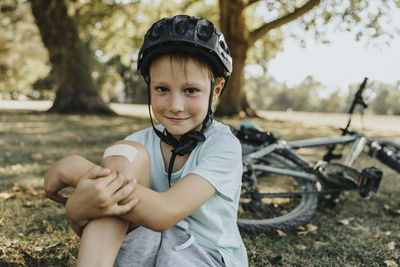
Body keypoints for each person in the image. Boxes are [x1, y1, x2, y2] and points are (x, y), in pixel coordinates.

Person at [44, 15, 248, 267]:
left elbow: (166, 212)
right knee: (125, 153)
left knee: (118, 191)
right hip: (146, 245)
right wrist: (79, 207)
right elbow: (84, 217)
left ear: (216, 90)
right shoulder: (136, 144)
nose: (175, 106)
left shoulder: (222, 145)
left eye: (190, 90)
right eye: (162, 89)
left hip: (204, 254)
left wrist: (78, 169)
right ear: (149, 85)